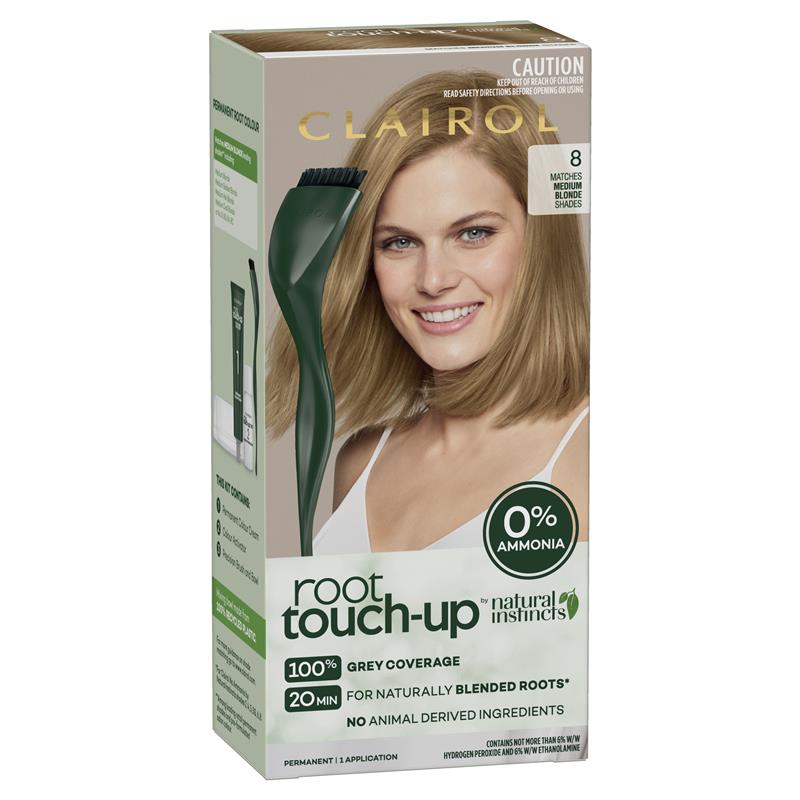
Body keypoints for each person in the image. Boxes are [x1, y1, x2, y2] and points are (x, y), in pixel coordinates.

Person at [267, 70, 589, 553]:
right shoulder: (361, 462)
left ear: (541, 236)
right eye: (399, 242)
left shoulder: (589, 456)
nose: (433, 280)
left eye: (474, 233)